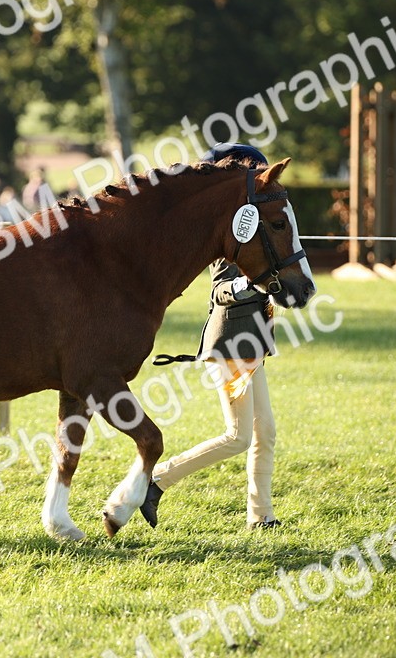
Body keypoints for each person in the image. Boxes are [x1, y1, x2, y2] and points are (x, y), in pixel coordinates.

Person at [141, 143, 309, 531]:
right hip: (230, 347)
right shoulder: (231, 233)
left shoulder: (253, 226)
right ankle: (157, 480)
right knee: (237, 436)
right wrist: (260, 286)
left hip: (250, 346)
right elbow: (220, 290)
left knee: (264, 433)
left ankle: (261, 517)